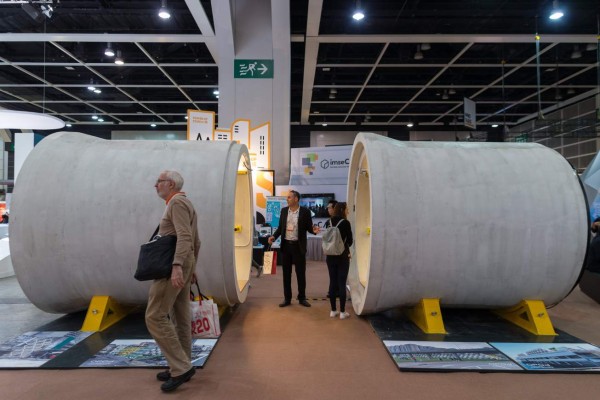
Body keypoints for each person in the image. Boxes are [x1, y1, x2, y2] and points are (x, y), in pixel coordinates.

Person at [145, 170, 200, 392]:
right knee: (180, 316)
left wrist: (177, 265)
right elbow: (197, 240)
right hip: (184, 264)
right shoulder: (185, 203)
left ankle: (181, 366)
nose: (155, 185)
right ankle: (181, 363)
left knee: (155, 315)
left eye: (158, 181)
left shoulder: (176, 204)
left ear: (170, 184)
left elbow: (185, 237)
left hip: (172, 267)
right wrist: (190, 268)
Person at [268, 190, 319, 307]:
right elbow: (281, 227)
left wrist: (314, 231)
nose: (287, 199)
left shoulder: (305, 212)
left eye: (289, 197)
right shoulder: (284, 211)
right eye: (287, 197)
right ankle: (287, 299)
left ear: (296, 199)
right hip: (286, 246)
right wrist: (273, 236)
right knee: (286, 274)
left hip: (298, 246)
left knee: (300, 273)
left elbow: (308, 227)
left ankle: (302, 298)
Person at [326, 202, 353, 320]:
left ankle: (333, 310)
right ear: (342, 210)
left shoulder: (328, 222)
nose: (348, 211)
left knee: (332, 282)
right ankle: (342, 312)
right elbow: (350, 241)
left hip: (330, 256)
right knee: (342, 283)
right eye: (347, 209)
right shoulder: (346, 223)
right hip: (343, 256)